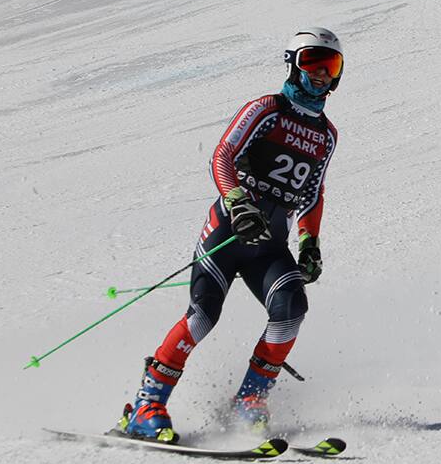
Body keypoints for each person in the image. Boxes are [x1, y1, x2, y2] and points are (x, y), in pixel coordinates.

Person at [117, 27, 344, 443]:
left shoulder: (327, 135)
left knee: (291, 308)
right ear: (294, 64)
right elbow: (222, 155)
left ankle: (249, 402)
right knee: (203, 316)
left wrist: (310, 243)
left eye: (331, 66)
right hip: (227, 234)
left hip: (269, 245)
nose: (322, 75)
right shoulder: (266, 109)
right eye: (313, 63)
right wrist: (239, 202)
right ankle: (147, 405)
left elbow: (314, 193)